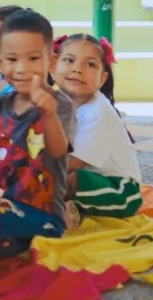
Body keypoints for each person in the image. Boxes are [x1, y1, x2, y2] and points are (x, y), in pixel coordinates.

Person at [0, 10, 75, 258]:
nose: (22, 69)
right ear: (0, 62)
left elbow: (58, 151)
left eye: (33, 58)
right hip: (0, 204)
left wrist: (48, 114)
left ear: (52, 62)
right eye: (12, 59)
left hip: (43, 214)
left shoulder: (60, 105)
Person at [52, 34, 142, 218]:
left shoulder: (98, 112)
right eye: (69, 60)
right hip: (86, 180)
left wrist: (33, 176)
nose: (77, 69)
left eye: (90, 64)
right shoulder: (52, 103)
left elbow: (74, 163)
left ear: (102, 79)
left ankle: (61, 210)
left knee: (65, 180)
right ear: (52, 66)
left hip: (121, 190)